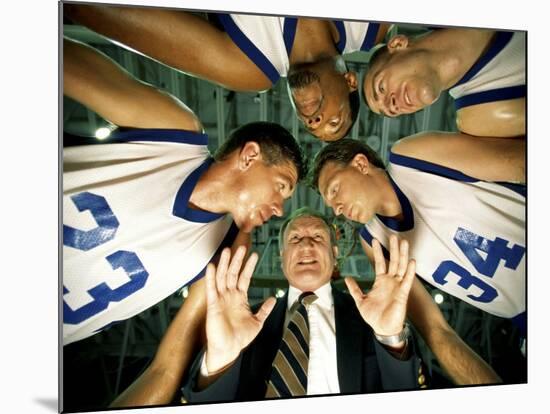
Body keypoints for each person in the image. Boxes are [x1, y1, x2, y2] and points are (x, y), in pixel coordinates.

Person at [63, 37, 306, 348]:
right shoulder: (173, 135)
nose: (280, 210)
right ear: (249, 156)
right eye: (281, 187)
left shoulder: (219, 256)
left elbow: (176, 358)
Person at [310, 134, 525, 384]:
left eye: (334, 189)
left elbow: (521, 161)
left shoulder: (410, 159)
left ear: (360, 164)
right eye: (330, 205)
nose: (336, 208)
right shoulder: (375, 242)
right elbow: (437, 333)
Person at [181, 208, 423, 402]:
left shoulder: (370, 320)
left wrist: (390, 339)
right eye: (295, 238)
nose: (306, 246)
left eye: (318, 237)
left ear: (334, 252)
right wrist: (221, 360)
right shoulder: (243, 322)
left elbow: (409, 396)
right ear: (282, 256)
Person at [63, 4, 389, 141]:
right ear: (350, 81)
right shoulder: (372, 25)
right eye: (334, 121)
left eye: (310, 127)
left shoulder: (250, 65)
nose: (313, 122)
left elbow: (98, 10)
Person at [363, 28, 525, 138]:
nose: (391, 106)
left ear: (398, 44)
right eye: (391, 112)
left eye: (381, 87)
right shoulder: (480, 120)